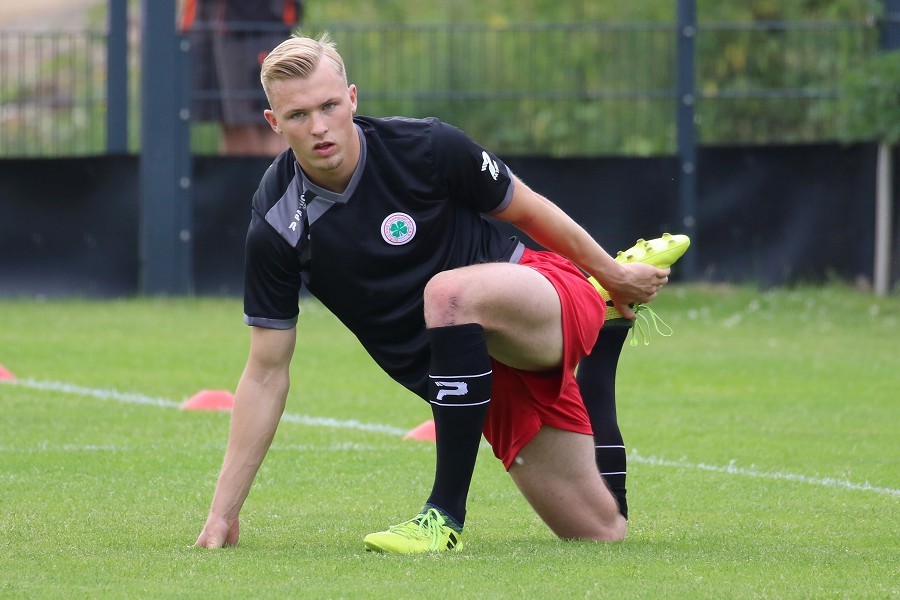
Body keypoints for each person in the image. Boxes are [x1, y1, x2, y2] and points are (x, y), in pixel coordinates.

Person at [195, 33, 671, 553]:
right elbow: (265, 372)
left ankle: (443, 517)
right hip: (475, 375)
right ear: (274, 123)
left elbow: (529, 209)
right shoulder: (277, 223)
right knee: (600, 531)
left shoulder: (426, 146)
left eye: (329, 106)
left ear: (352, 98)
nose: (319, 127)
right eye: (298, 115)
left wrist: (610, 271)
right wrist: (222, 515)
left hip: (537, 298)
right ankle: (606, 337)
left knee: (446, 294)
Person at [180, 0, 303, 156]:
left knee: (269, 122)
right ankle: (237, 172)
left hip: (256, 21)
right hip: (208, 20)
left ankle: (278, 172)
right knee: (229, 122)